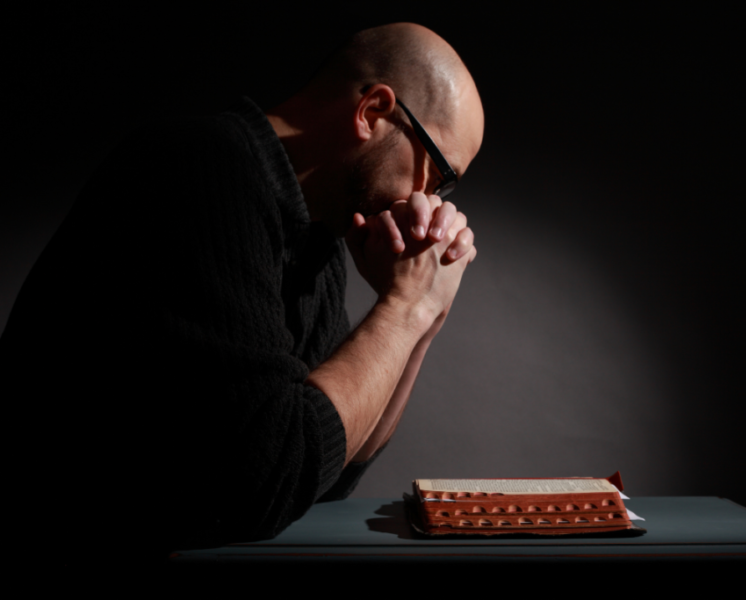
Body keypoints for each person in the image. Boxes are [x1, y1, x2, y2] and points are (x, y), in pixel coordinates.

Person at [0, 22, 484, 562]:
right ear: (373, 112)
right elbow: (269, 476)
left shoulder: (314, 236)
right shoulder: (200, 168)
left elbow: (327, 469)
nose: (430, 201)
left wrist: (426, 316)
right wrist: (403, 308)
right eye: (438, 174)